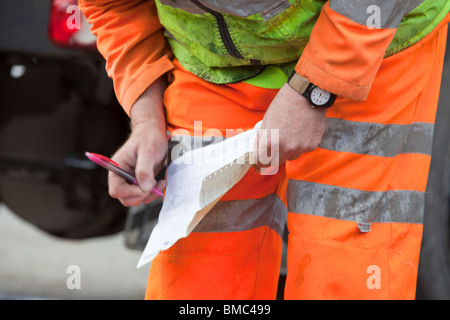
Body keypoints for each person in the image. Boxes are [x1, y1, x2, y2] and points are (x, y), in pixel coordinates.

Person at [79, 0, 450, 299]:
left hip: (370, 37)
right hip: (212, 64)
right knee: (199, 271)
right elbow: (111, 6)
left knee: (344, 269)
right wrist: (146, 118)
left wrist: (315, 88)